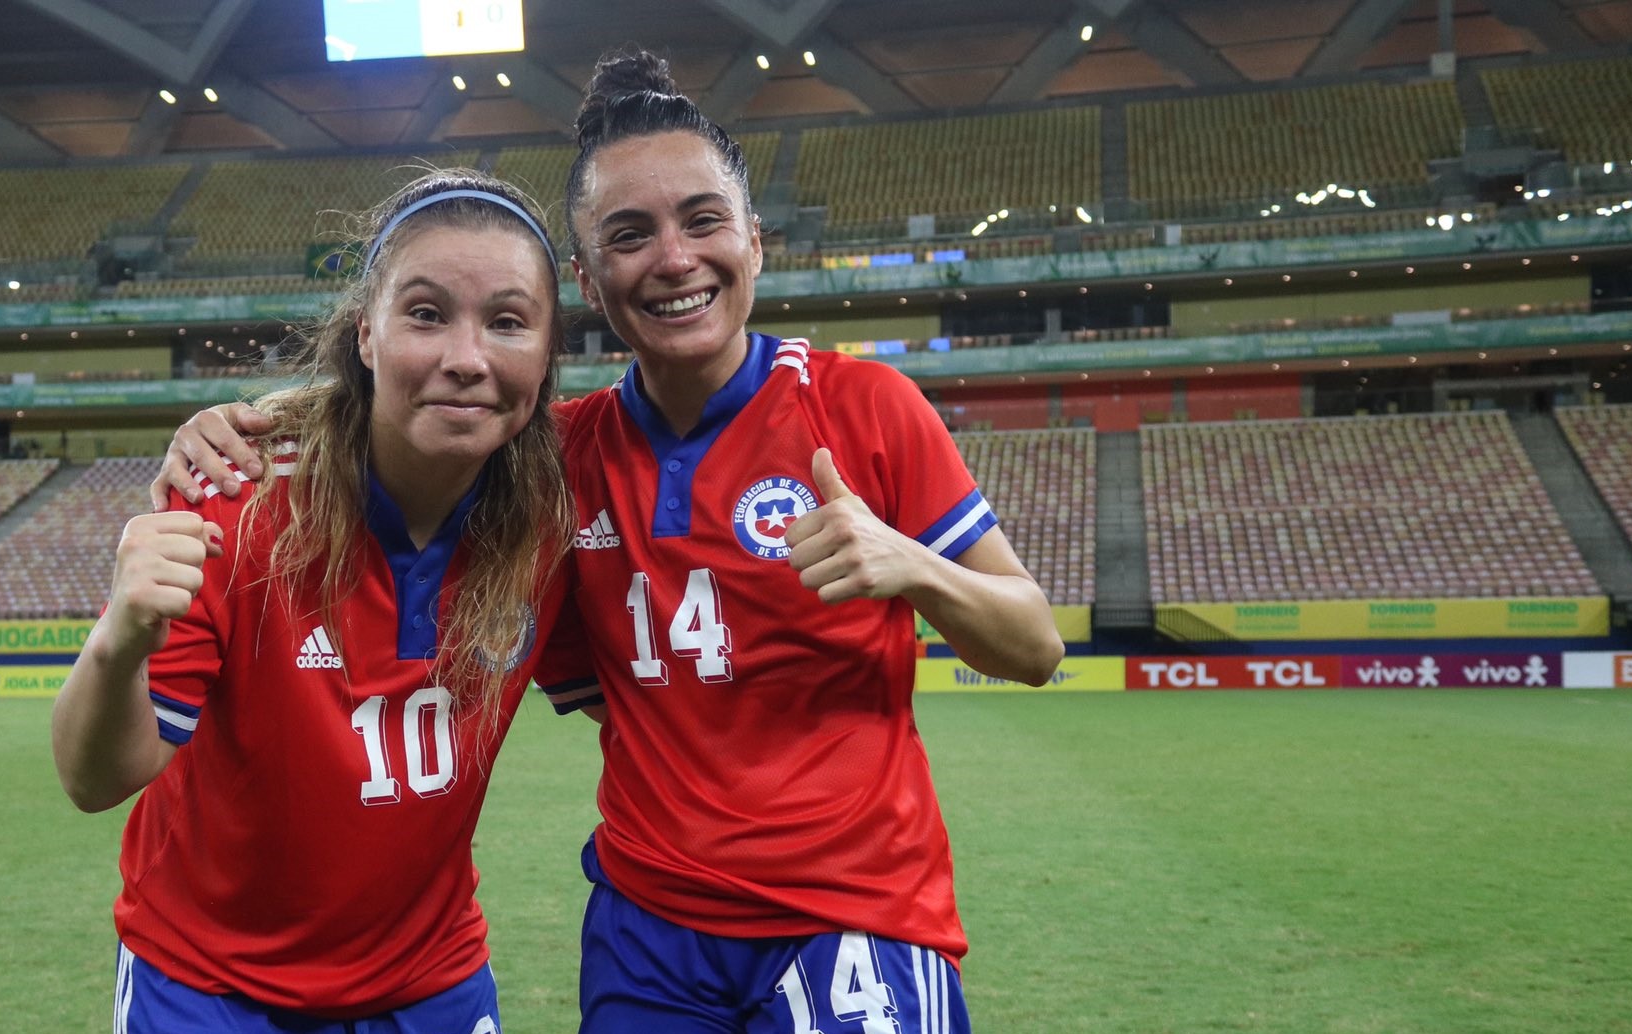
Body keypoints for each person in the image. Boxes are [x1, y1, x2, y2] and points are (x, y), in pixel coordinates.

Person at [152, 50, 1064, 1034]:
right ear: (587, 281)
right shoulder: (557, 459)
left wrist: (911, 564)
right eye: (630, 235)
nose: (673, 259)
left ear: (755, 240)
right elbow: (422, 409)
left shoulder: (866, 406)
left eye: (702, 220)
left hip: (852, 917)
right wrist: (246, 419)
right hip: (645, 926)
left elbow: (1034, 642)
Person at [56, 169, 573, 1033]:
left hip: (431, 984)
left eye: (509, 321)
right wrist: (117, 640)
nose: (466, 356)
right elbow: (94, 779)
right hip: (210, 986)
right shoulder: (239, 496)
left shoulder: (561, 512)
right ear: (364, 333)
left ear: (549, 353)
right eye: (424, 313)